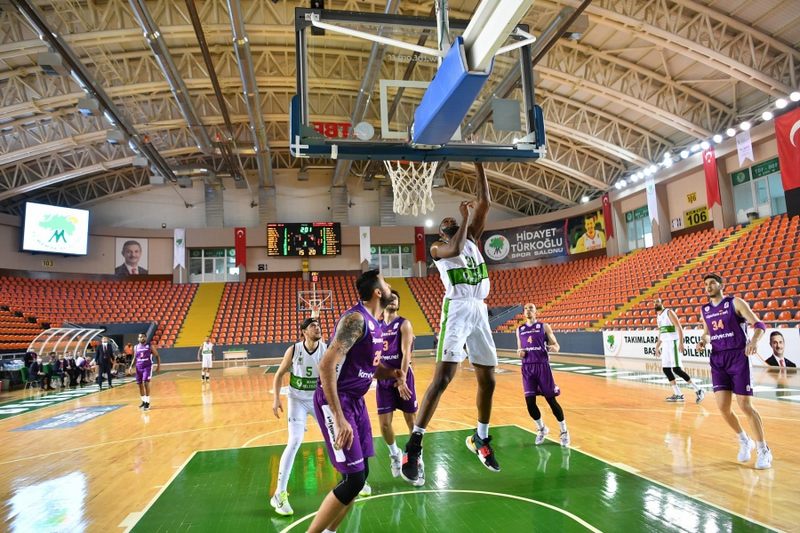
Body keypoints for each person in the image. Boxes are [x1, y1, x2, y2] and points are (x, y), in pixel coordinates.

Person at [402, 163, 500, 486]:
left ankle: (480, 438)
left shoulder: (471, 237)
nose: (449, 220)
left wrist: (478, 163)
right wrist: (466, 217)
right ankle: (414, 446)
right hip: (457, 309)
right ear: (441, 232)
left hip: (479, 310)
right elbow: (456, 246)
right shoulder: (440, 249)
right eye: (445, 222)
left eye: (452, 219)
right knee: (443, 379)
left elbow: (485, 200)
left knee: (489, 380)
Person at [307, 270, 405, 533]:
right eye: (385, 283)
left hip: (356, 402)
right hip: (337, 401)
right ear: (377, 292)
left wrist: (392, 373)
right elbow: (326, 365)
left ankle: (330, 531)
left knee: (360, 479)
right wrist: (339, 418)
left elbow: (369, 367)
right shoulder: (356, 320)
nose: (390, 286)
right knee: (353, 479)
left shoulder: (374, 323)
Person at [697, 273, 772, 469]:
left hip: (738, 356)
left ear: (721, 285)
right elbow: (707, 333)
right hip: (717, 358)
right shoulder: (704, 310)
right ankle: (743, 439)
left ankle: (763, 449)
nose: (708, 286)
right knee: (722, 407)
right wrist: (703, 340)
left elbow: (759, 324)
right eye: (705, 284)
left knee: (745, 405)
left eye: (712, 283)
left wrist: (754, 340)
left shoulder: (735, 303)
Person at [269, 317, 327, 516]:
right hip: (297, 401)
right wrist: (276, 398)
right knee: (294, 442)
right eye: (313, 326)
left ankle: (353, 479)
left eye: (319, 325)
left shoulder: (325, 349)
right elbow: (278, 375)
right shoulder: (294, 350)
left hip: (319, 400)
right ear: (303, 331)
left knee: (336, 438)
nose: (317, 328)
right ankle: (279, 493)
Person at [376, 290, 418, 480]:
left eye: (396, 297)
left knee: (412, 422)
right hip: (384, 378)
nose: (393, 299)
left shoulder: (404, 324)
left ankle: (416, 460)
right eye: (390, 297)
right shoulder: (375, 326)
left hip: (404, 376)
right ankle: (395, 454)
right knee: (384, 425)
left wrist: (401, 379)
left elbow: (406, 353)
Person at [516, 304, 569, 446]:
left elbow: (556, 344)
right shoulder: (519, 329)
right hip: (527, 368)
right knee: (530, 403)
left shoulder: (544, 327)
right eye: (526, 309)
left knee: (551, 401)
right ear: (523, 313)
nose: (528, 310)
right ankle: (541, 428)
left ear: (536, 312)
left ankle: (564, 431)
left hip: (542, 367)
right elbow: (519, 349)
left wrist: (555, 348)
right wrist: (519, 353)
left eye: (531, 308)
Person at [654, 298, 704, 403]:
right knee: (666, 369)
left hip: (673, 342)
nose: (656, 303)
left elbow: (679, 327)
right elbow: (661, 334)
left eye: (657, 301)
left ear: (661, 303)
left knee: (676, 369)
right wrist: (657, 346)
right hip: (666, 344)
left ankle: (698, 390)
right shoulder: (658, 317)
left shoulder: (668, 312)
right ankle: (678, 394)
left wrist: (681, 342)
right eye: (654, 302)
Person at [129, 333, 161, 410]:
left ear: (146, 338)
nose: (142, 338)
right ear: (138, 338)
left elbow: (157, 356)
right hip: (138, 367)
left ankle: (147, 402)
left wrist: (158, 366)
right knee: (140, 385)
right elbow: (134, 358)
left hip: (147, 367)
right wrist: (130, 366)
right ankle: (143, 401)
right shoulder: (136, 347)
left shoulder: (150, 346)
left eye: (143, 337)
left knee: (146, 383)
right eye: (140, 337)